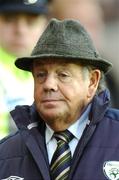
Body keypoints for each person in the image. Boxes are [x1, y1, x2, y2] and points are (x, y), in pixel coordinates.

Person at [1, 18, 119, 180]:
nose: (49, 84)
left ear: (92, 81)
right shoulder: (6, 153)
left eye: (63, 75)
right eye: (41, 75)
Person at [0, 0, 48, 138]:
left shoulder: (55, 73)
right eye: (9, 19)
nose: (20, 30)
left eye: (31, 21)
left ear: (45, 25)